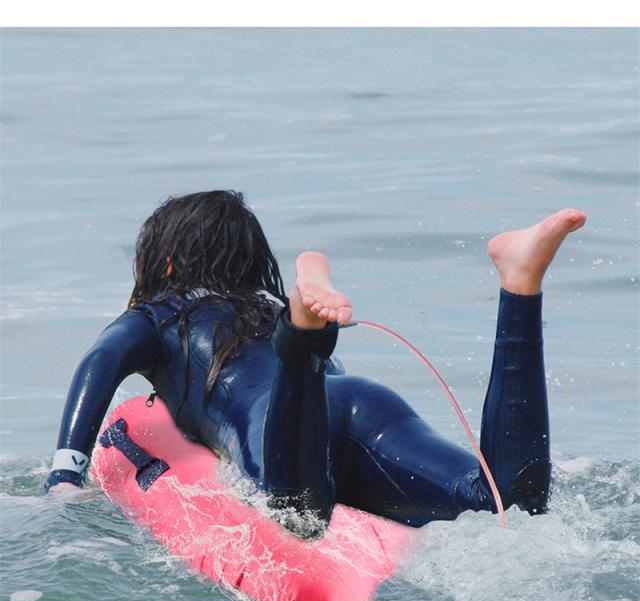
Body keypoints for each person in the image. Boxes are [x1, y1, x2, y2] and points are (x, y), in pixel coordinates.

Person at [45, 190, 586, 538]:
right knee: (507, 508)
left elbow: (100, 361)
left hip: (283, 418)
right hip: (363, 402)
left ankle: (304, 337)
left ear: (164, 264)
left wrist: (65, 476)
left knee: (299, 516)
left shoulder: (158, 315)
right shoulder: (263, 306)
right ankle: (520, 280)